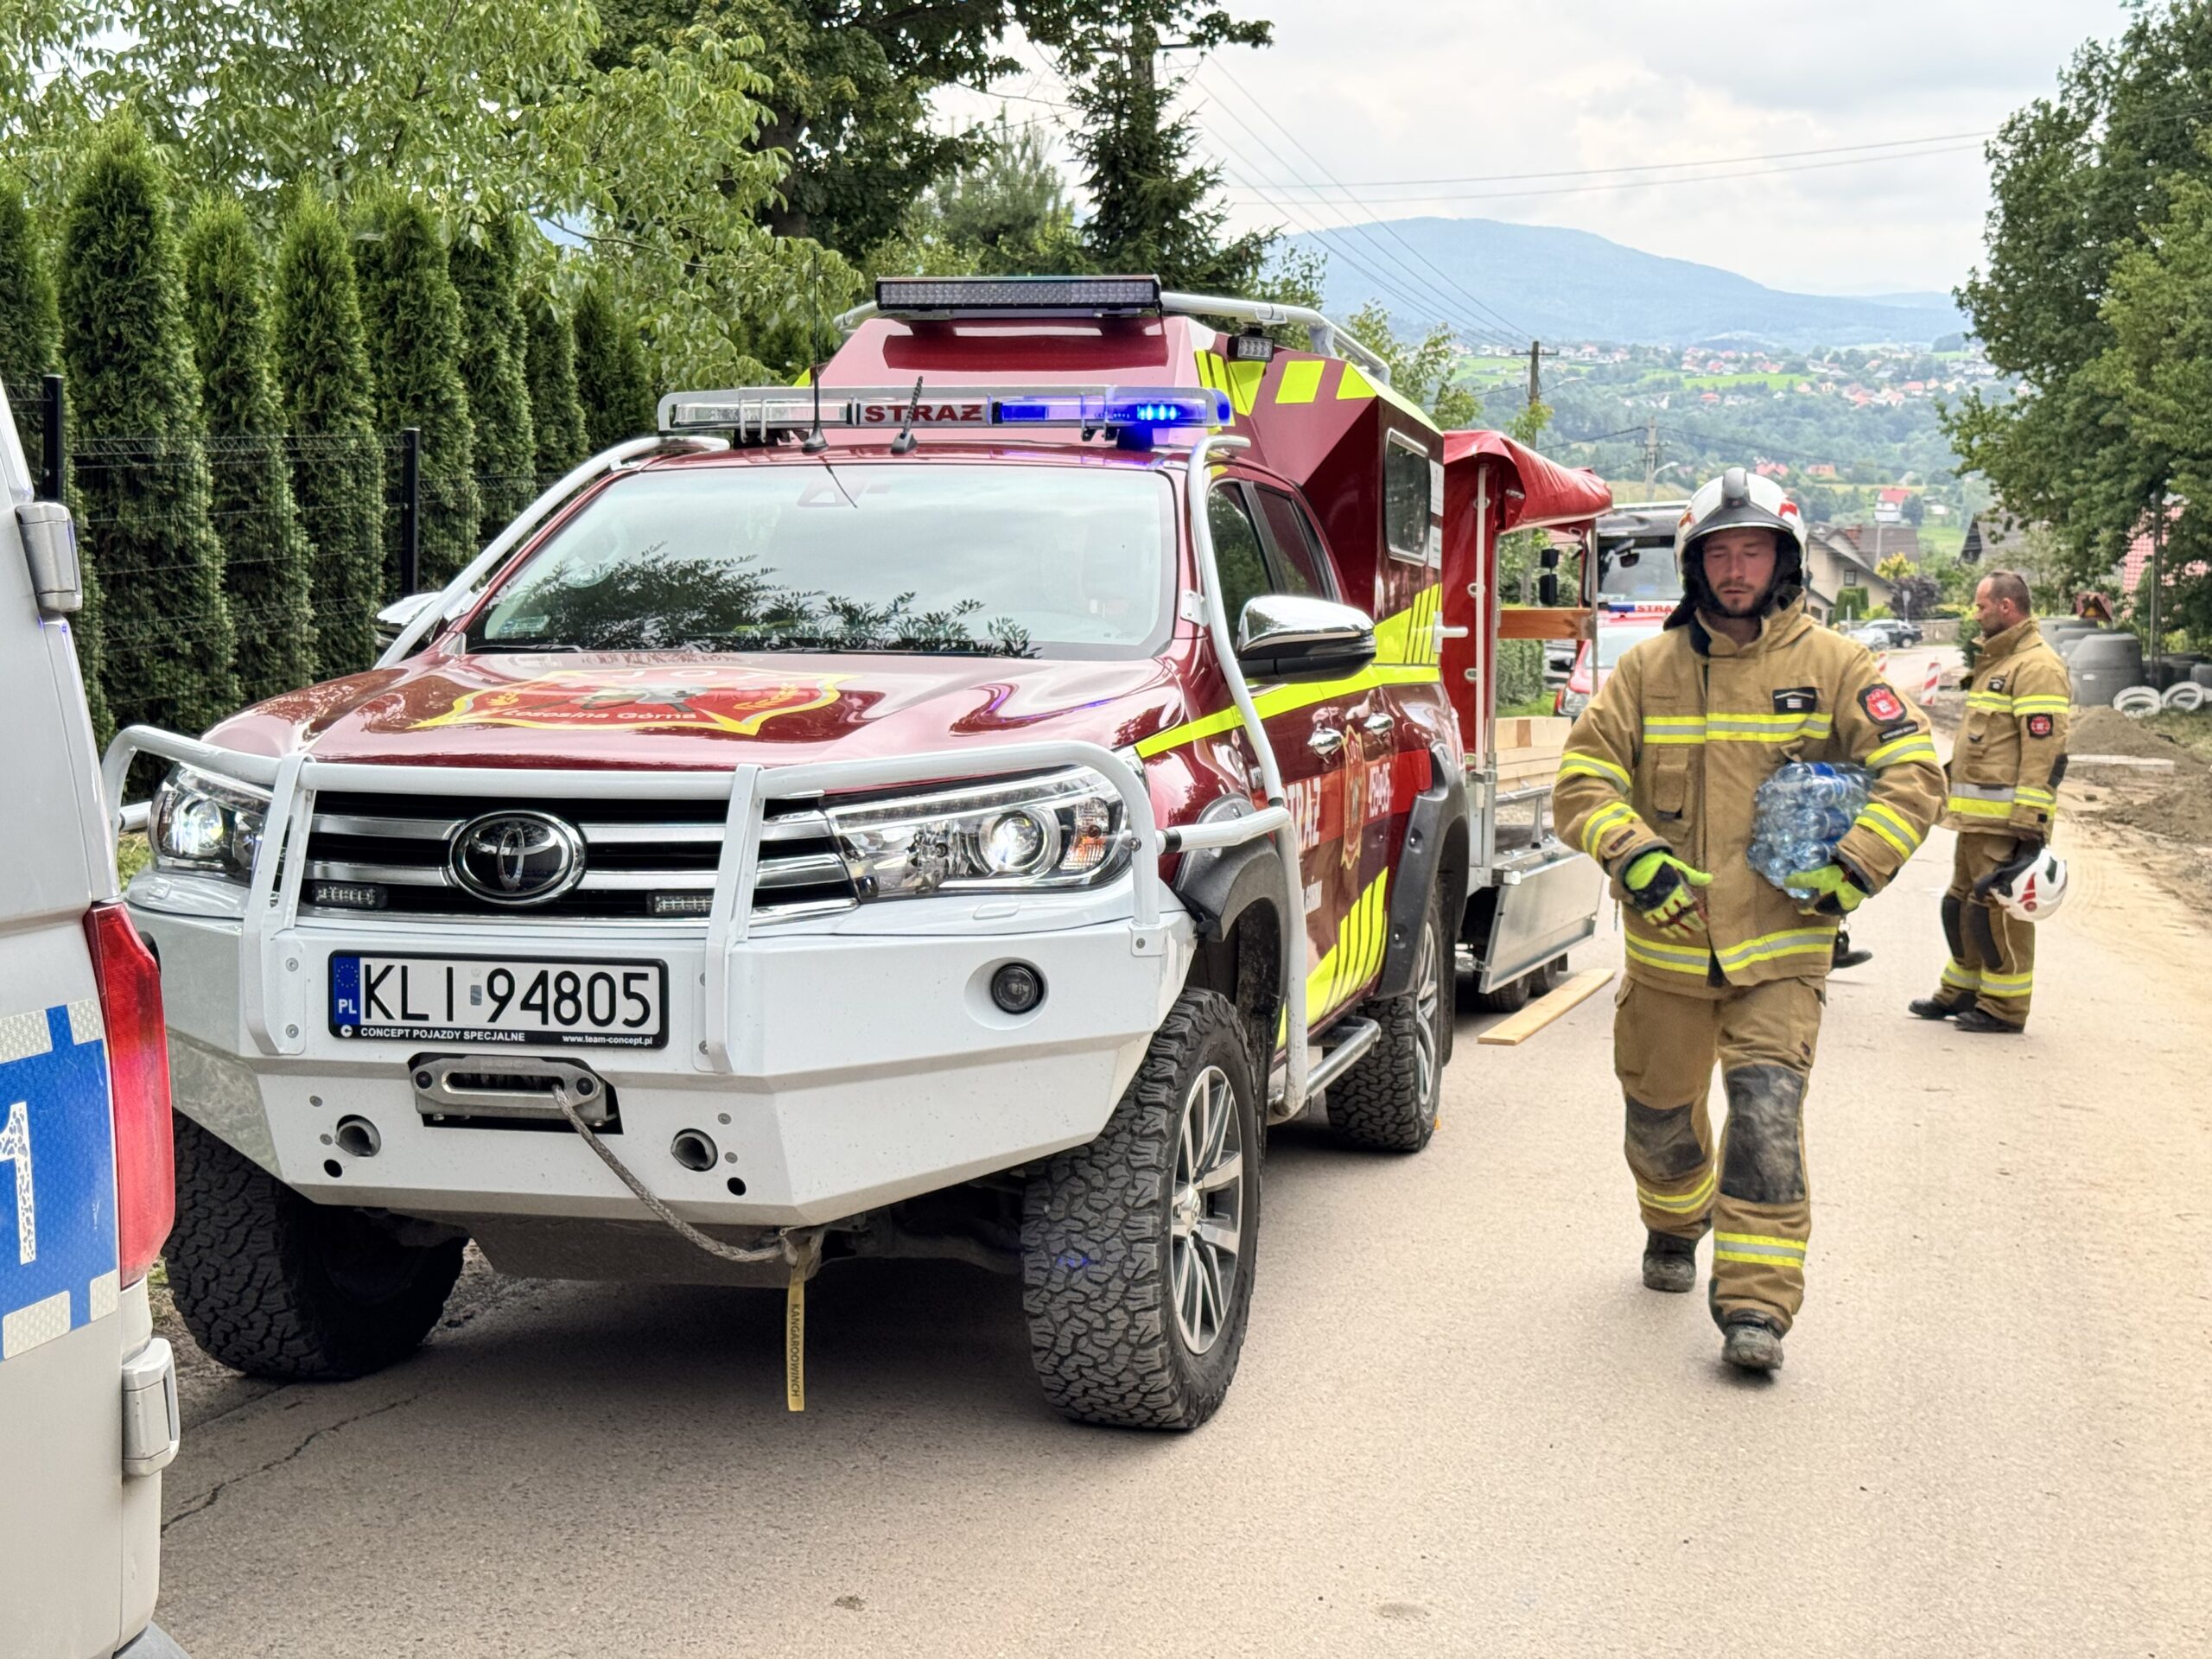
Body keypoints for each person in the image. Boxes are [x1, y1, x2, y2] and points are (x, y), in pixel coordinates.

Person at [1554, 469, 1945, 1373]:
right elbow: (1582, 780)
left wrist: (1857, 864)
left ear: (1784, 562)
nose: (1736, 570)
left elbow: (1914, 771)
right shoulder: (1647, 672)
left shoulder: (1835, 667)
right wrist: (1631, 851)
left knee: (1767, 1118)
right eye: (1720, 553)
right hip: (1667, 954)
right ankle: (1672, 1221)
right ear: (1694, 565)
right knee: (1659, 1126)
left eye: (1753, 552)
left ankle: (1756, 1308)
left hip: (1783, 955)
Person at [1908, 570, 2069, 1033]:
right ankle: (1961, 989)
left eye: (1981, 606)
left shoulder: (2037, 667)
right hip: (1976, 819)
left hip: (2006, 822)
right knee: (1961, 905)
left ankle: (2004, 1006)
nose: (1975, 615)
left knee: (1998, 910)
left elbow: (2044, 749)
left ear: (2006, 607)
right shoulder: (2000, 661)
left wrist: (2030, 818)